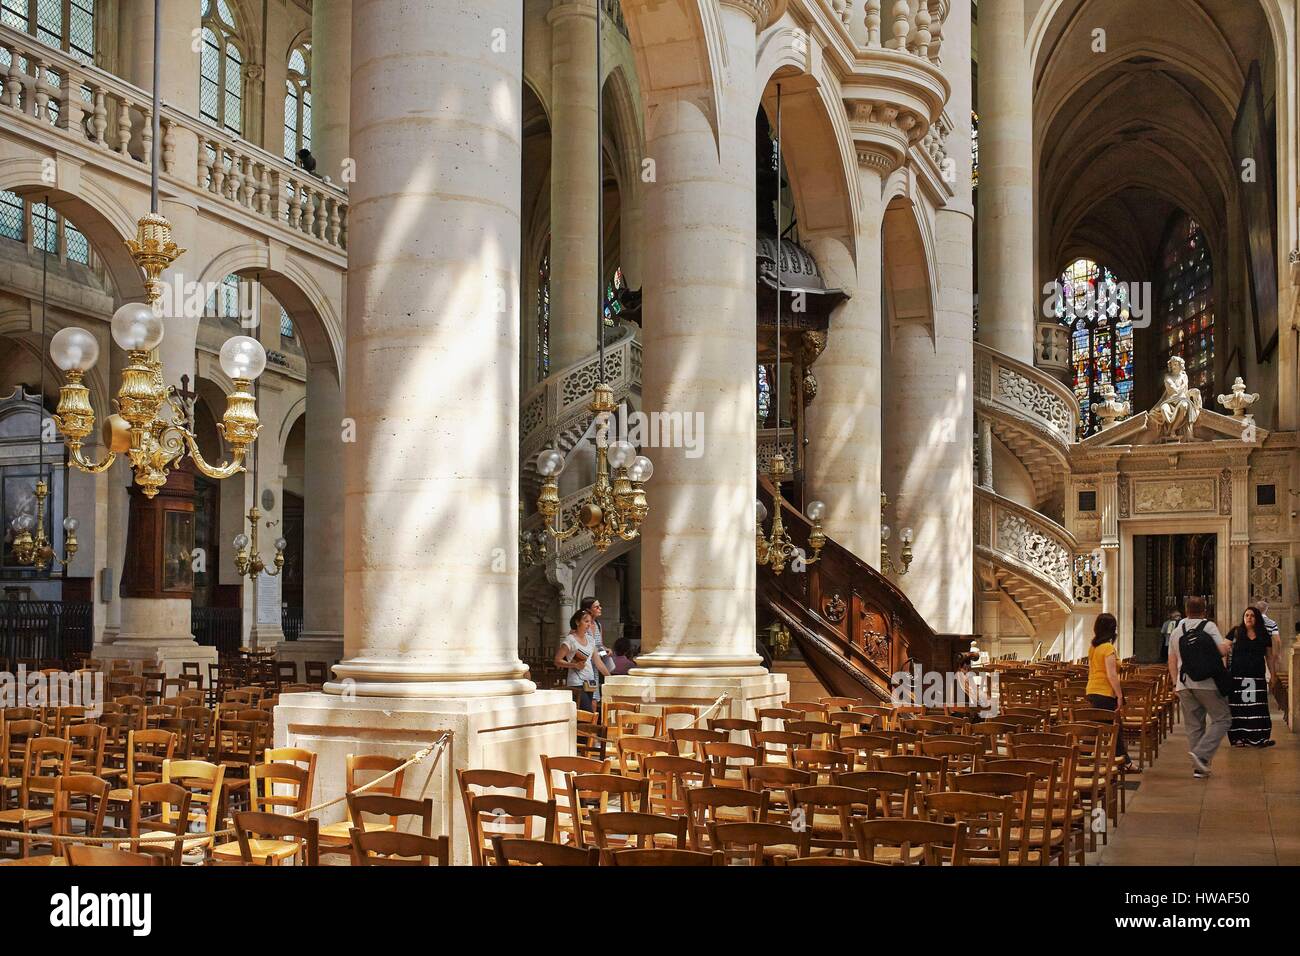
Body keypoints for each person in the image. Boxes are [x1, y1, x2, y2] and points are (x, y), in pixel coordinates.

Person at [1167, 596, 1231, 778]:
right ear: (1205, 610)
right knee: (1223, 719)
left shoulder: (1178, 629)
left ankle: (1199, 768)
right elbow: (1220, 651)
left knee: (1194, 725)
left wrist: (1175, 683)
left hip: (1184, 682)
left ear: (1186, 610)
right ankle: (1202, 755)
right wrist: (1227, 645)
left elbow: (1171, 659)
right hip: (1207, 683)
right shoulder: (1209, 627)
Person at [1226, 606, 1281, 748]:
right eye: (1246, 615)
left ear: (1257, 618)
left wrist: (1273, 675)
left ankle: (1259, 737)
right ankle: (1239, 737)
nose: (1249, 618)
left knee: (1257, 708)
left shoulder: (1263, 635)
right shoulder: (1236, 632)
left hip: (1256, 677)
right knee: (1240, 708)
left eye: (1252, 616)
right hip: (1238, 677)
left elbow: (1269, 657)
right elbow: (1224, 649)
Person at [1084, 613, 1132, 767]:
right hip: (1105, 692)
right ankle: (1080, 758)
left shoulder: (1093, 647)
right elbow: (1111, 675)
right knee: (1111, 729)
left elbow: (1092, 670)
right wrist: (1119, 695)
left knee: (1105, 728)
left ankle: (1124, 761)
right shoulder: (1108, 648)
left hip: (1092, 690)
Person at [555, 609, 610, 712]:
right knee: (587, 712)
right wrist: (574, 665)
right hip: (576, 682)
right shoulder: (570, 639)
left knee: (587, 713)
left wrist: (610, 677)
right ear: (577, 622)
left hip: (590, 681)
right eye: (586, 621)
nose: (588, 624)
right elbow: (557, 660)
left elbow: (598, 662)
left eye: (590, 621)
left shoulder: (590, 640)